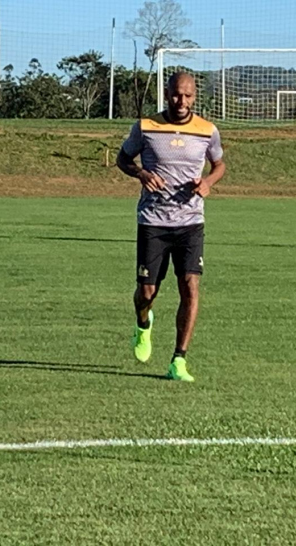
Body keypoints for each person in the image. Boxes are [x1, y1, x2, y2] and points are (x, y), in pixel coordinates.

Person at [116, 72, 226, 382]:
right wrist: (140, 173)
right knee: (147, 291)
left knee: (190, 286)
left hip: (191, 222)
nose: (183, 101)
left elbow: (220, 165)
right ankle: (142, 323)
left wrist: (207, 182)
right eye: (177, 95)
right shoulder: (147, 127)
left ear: (195, 96)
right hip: (153, 221)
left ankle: (179, 360)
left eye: (189, 96)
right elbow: (122, 159)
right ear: (167, 94)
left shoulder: (207, 130)